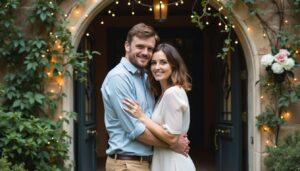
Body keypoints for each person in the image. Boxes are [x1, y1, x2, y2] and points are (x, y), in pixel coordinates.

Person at [101, 23, 189, 171]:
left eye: (150, 48)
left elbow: (156, 122)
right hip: (127, 164)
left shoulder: (147, 77)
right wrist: (173, 144)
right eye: (140, 46)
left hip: (147, 162)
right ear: (127, 46)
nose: (145, 52)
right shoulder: (119, 78)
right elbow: (137, 131)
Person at [123, 43, 196, 171]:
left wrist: (142, 117)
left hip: (174, 163)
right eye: (153, 63)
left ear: (173, 65)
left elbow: (172, 138)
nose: (157, 67)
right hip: (164, 160)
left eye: (163, 62)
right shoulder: (163, 94)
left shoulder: (172, 93)